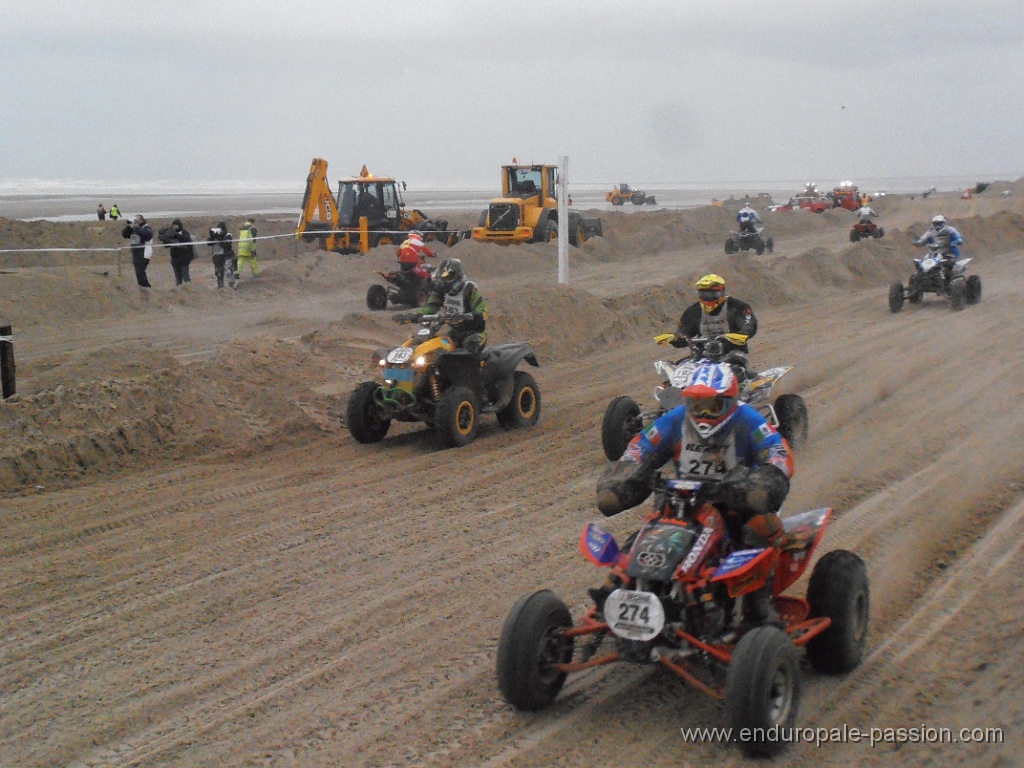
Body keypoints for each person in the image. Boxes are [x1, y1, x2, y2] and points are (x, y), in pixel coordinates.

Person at [594, 361, 794, 628]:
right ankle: (619, 591)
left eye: (713, 405)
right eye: (697, 405)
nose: (703, 414)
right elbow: (640, 445)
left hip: (736, 500)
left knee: (762, 529)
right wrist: (629, 469)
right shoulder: (676, 417)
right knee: (646, 536)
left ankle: (759, 606)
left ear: (729, 401)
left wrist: (767, 477)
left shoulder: (747, 419)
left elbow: (778, 451)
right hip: (681, 498)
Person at [392, 258, 488, 355]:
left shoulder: (470, 290)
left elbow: (483, 313)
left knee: (467, 355)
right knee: (437, 351)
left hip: (474, 334)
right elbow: (430, 307)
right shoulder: (442, 291)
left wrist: (466, 317)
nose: (443, 282)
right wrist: (413, 316)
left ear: (456, 276)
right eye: (442, 279)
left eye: (446, 279)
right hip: (455, 332)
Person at [671, 274, 757, 357]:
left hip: (732, 353)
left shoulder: (737, 306)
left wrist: (743, 334)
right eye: (703, 294)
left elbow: (748, 323)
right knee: (681, 366)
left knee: (736, 367)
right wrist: (674, 338)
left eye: (712, 294)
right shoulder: (693, 311)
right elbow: (685, 330)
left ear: (722, 291)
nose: (707, 297)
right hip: (702, 355)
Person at [915, 215, 964, 289]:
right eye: (935, 223)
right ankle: (918, 281)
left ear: (943, 223)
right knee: (923, 263)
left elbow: (958, 237)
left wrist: (957, 241)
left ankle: (949, 282)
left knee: (948, 266)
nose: (937, 226)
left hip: (950, 252)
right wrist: (917, 242)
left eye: (939, 223)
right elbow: (922, 240)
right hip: (934, 253)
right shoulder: (931, 231)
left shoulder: (950, 230)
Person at [158, 218, 195, 286]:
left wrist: (176, 234)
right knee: (178, 279)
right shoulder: (170, 234)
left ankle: (190, 290)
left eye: (176, 225)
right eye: (174, 225)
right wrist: (165, 237)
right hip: (175, 259)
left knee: (186, 277)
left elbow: (186, 240)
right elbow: (166, 245)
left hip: (184, 259)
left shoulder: (184, 232)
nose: (175, 227)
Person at [396, 230, 435, 295]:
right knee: (424, 274)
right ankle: (428, 290)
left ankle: (406, 289)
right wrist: (433, 255)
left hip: (403, 263)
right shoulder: (418, 242)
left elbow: (398, 253)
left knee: (405, 277)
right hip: (412, 263)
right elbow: (428, 252)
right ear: (418, 236)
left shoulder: (405, 242)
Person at [121, 214, 154, 288]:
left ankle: (146, 287)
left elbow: (147, 236)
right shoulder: (133, 229)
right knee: (138, 273)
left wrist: (137, 228)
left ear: (141, 221)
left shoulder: (146, 227)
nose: (135, 222)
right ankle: (143, 287)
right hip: (136, 253)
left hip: (144, 253)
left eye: (137, 220)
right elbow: (124, 234)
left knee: (140, 272)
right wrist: (129, 227)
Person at [208, 221, 236, 289]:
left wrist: (219, 238)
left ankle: (231, 286)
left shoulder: (228, 235)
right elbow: (209, 243)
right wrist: (212, 236)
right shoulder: (215, 236)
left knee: (229, 271)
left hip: (227, 256)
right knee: (219, 272)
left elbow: (226, 244)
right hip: (217, 257)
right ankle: (220, 287)